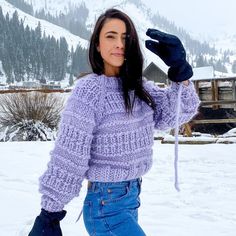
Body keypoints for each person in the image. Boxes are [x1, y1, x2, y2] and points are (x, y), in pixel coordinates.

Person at [29, 8, 200, 236]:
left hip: (131, 200)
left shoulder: (139, 87)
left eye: (125, 38)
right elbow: (69, 155)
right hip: (105, 205)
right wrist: (50, 212)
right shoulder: (89, 92)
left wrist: (181, 76)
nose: (119, 43)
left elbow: (178, 113)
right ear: (97, 45)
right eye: (111, 36)